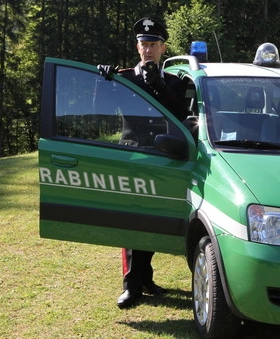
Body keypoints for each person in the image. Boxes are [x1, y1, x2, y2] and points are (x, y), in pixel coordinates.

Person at [97, 17, 187, 309]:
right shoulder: (125, 78)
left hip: (162, 159)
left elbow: (182, 115)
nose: (147, 50)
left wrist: (160, 86)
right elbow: (102, 111)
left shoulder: (175, 82)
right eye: (143, 45)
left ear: (163, 48)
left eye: (153, 45)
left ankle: (145, 278)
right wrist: (104, 82)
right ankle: (132, 286)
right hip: (133, 158)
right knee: (133, 222)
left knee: (155, 220)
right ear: (137, 48)